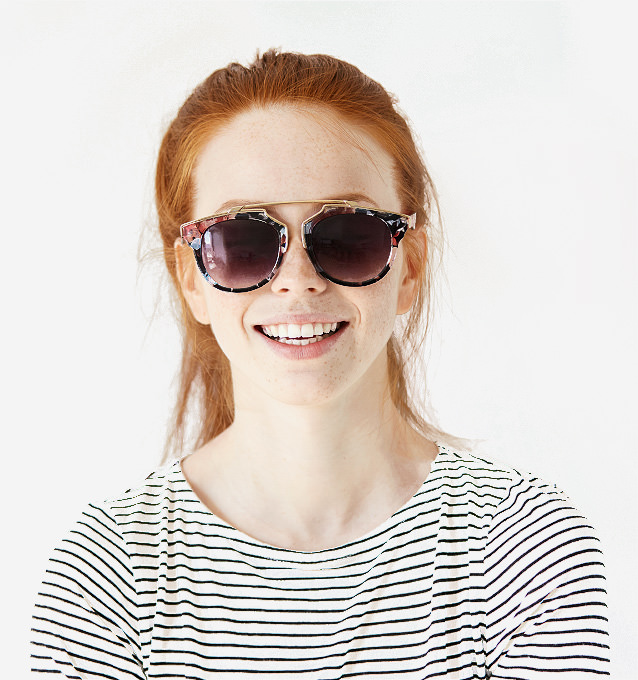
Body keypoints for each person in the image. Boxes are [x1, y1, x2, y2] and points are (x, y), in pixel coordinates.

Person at [30, 50, 609, 678]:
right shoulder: (106, 573)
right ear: (191, 279)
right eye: (242, 241)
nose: (297, 281)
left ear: (410, 265)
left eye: (347, 234)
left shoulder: (526, 550)